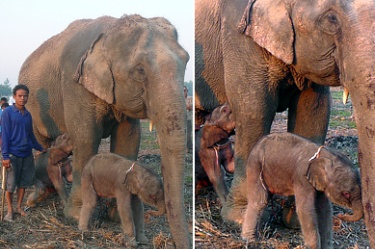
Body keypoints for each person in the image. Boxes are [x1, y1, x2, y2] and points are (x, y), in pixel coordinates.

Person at [2, 84, 45, 221]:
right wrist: (5, 155)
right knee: (10, 185)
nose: (22, 98)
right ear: (14, 97)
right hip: (13, 154)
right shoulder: (7, 113)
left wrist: (39, 147)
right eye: (19, 96)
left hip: (26, 154)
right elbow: (5, 136)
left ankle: (19, 207)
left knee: (23, 183)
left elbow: (30, 135)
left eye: (25, 96)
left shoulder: (27, 115)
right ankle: (9, 210)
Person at [184, 86, 193, 150]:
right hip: (181, 119)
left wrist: (186, 106)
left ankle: (189, 146)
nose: (183, 92)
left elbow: (191, 108)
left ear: (187, 91)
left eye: (184, 90)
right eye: (182, 91)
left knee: (189, 133)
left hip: (189, 118)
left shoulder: (191, 98)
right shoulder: (178, 99)